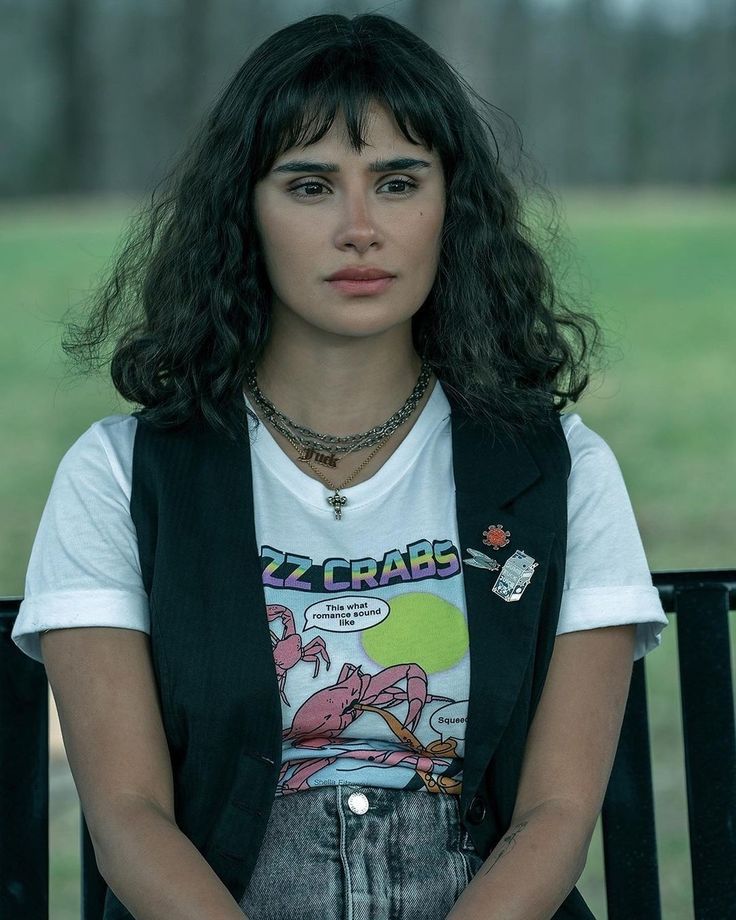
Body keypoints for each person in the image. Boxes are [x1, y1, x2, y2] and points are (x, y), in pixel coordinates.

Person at [11, 12, 670, 920]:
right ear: (242, 209)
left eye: (398, 182)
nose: (360, 228)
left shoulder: (559, 470)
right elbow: (129, 817)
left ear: (452, 205)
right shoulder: (120, 477)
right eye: (311, 185)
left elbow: (556, 815)